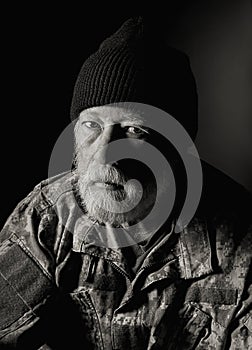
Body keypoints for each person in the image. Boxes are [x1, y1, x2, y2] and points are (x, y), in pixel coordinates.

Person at [0, 17, 251, 350]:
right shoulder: (48, 217)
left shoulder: (242, 240)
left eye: (135, 131)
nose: (104, 156)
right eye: (91, 124)